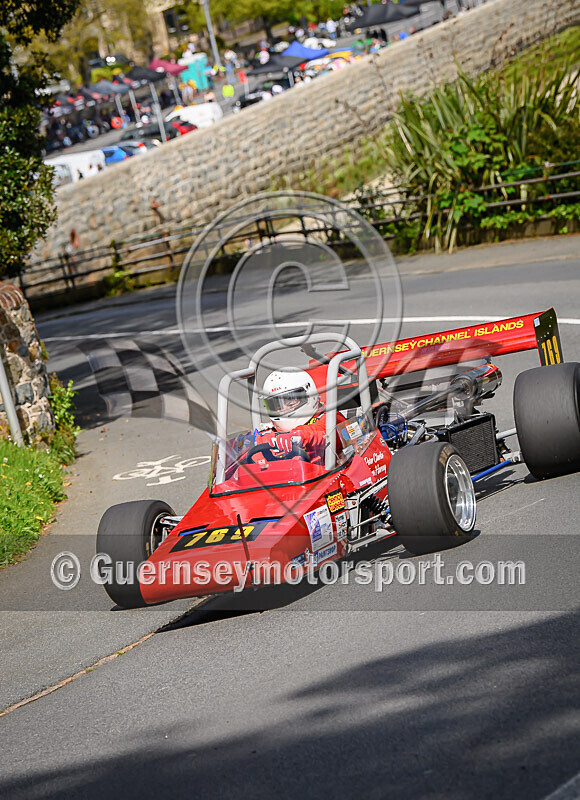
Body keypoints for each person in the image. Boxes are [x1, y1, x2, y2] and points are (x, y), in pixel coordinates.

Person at [255, 370, 345, 464]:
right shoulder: (270, 431)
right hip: (288, 476)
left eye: (291, 402)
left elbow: (326, 431)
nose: (284, 408)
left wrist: (299, 436)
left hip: (329, 474)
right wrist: (260, 445)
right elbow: (252, 443)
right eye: (277, 405)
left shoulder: (330, 418)